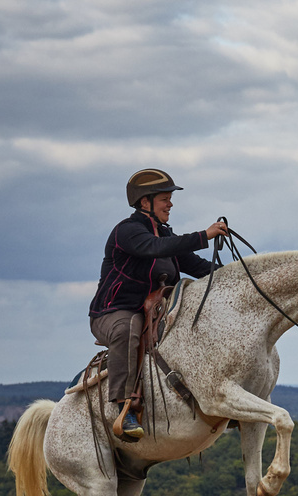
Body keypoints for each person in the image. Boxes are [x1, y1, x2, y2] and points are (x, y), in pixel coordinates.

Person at [88, 169, 227, 440]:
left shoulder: (163, 233)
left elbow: (196, 265)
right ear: (145, 202)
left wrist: (237, 277)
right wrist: (204, 235)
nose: (170, 204)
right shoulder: (127, 232)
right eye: (165, 198)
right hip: (115, 313)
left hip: (154, 310)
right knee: (127, 329)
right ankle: (124, 407)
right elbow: (155, 247)